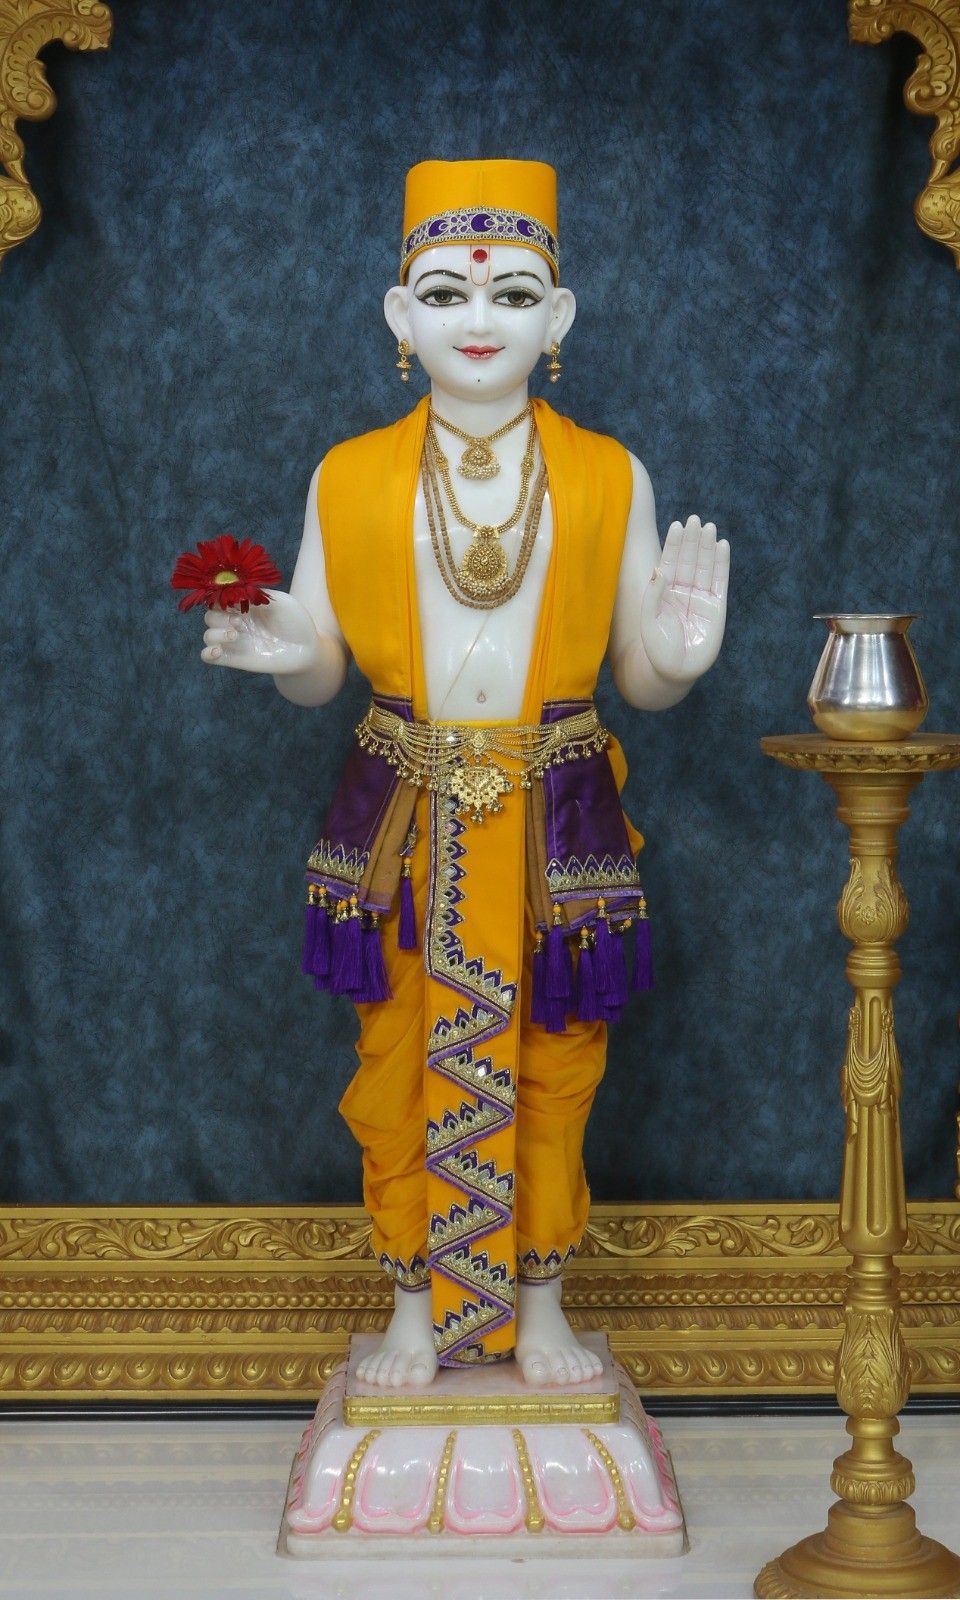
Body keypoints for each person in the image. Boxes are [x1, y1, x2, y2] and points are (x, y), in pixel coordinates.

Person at [199, 159, 729, 1391]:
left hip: (558, 805)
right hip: (402, 805)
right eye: (443, 295)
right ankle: (413, 1305)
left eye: (510, 297)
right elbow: (324, 668)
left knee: (556, 1062)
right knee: (393, 1059)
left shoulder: (609, 475)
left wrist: (681, 660)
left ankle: (539, 1305)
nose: (477, 322)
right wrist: (288, 652)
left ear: (560, 317)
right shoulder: (351, 474)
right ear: (399, 319)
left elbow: (639, 679)